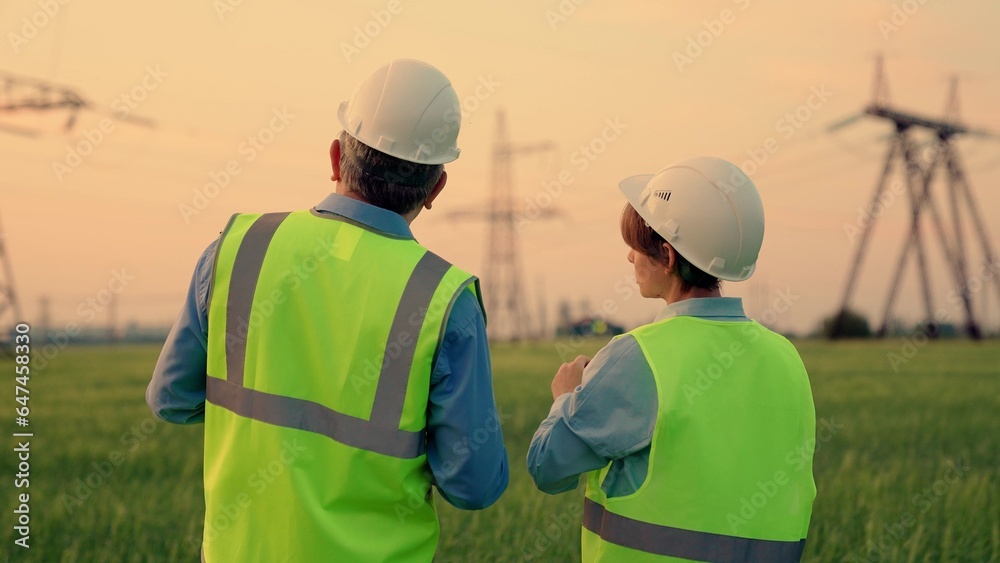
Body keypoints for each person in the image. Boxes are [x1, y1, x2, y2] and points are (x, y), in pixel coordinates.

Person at [147, 59, 509, 562]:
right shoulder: (446, 301)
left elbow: (170, 399)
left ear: (337, 157)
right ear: (436, 189)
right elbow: (474, 485)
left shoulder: (240, 248)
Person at [527, 157, 816, 562]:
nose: (630, 258)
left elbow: (549, 467)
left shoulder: (638, 356)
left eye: (636, 246)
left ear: (666, 256)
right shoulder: (787, 358)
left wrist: (565, 398)